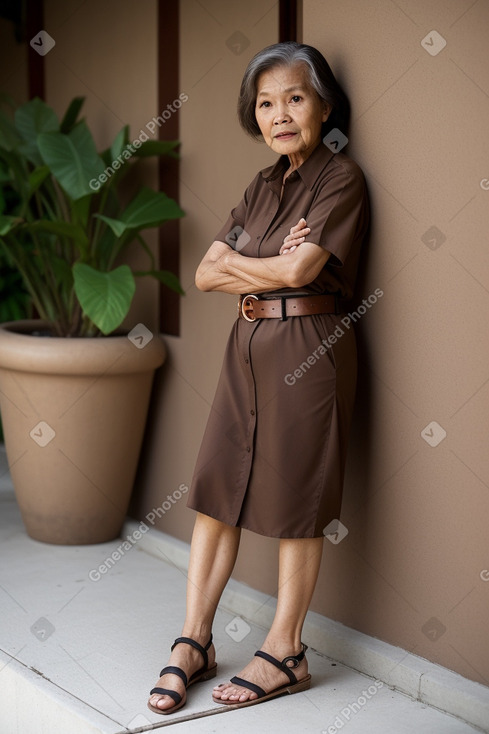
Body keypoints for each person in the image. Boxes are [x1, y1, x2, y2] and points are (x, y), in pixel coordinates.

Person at [148, 41, 369, 715]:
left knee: (296, 500)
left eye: (294, 98)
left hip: (309, 343)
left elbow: (301, 275)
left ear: (323, 105)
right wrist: (275, 256)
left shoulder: (340, 179)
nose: (279, 114)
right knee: (217, 490)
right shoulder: (259, 185)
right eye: (265, 102)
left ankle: (286, 651)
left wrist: (260, 261)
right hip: (244, 348)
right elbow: (205, 273)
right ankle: (194, 640)